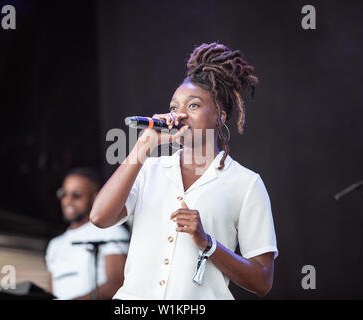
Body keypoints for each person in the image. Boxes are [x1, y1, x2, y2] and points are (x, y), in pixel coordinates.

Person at [90, 42, 278, 299]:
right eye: (175, 107)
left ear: (220, 116)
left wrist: (208, 244)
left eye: (193, 106)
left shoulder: (245, 184)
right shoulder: (148, 170)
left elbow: (262, 280)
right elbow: (100, 217)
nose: (180, 114)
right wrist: (143, 146)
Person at [45, 168, 129, 300]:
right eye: (63, 194)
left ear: (95, 197)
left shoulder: (111, 231)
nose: (68, 200)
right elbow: (52, 291)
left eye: (76, 194)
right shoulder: (54, 245)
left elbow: (116, 284)